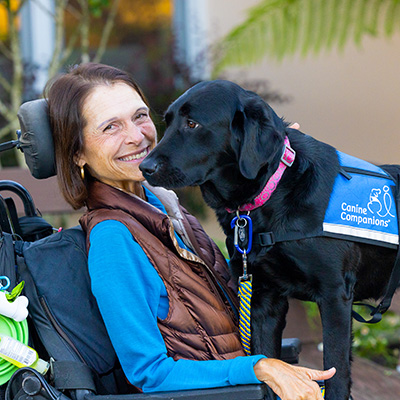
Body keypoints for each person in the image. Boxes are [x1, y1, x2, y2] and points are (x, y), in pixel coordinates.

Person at [44, 63, 335, 400]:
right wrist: (259, 368)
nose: (137, 136)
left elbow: (228, 306)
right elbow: (151, 373)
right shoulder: (113, 238)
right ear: (78, 152)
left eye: (140, 116)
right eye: (111, 127)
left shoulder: (167, 209)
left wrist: (268, 168)